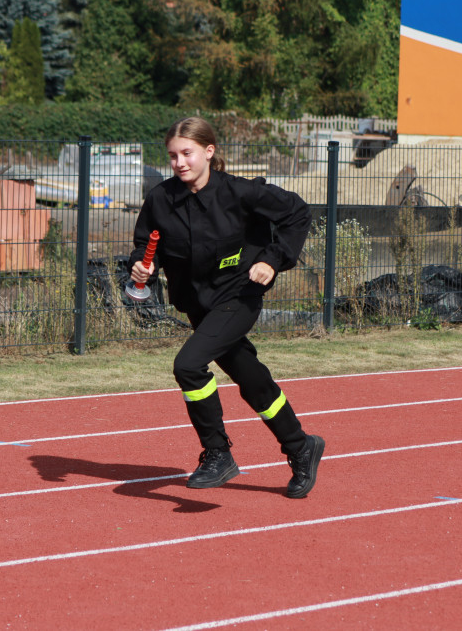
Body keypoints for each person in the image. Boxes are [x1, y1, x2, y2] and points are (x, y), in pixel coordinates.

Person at [129, 117, 324, 498]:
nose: (179, 162)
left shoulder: (241, 192)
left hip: (239, 296)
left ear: (209, 151)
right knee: (250, 378)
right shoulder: (160, 199)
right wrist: (141, 264)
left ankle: (218, 453)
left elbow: (297, 213)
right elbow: (144, 243)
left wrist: (273, 258)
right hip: (197, 304)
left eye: (187, 153)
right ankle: (301, 446)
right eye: (172, 156)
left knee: (187, 365)